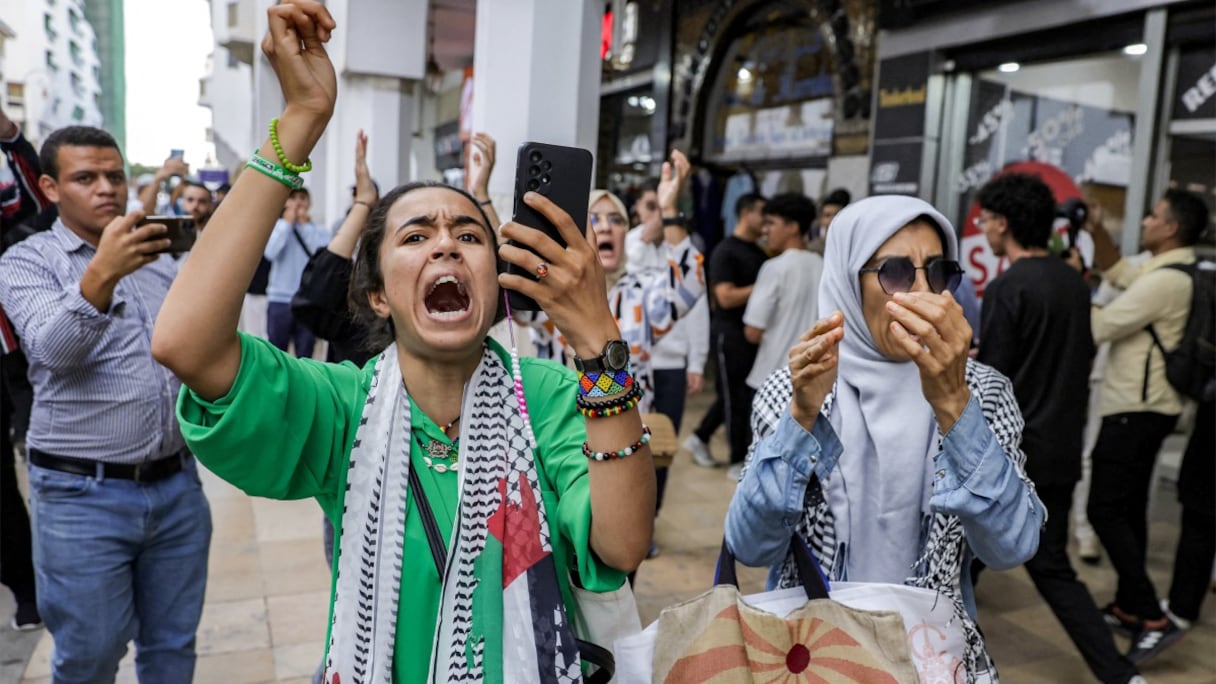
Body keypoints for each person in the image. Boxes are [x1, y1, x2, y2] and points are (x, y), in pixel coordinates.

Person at [151, 3, 654, 681]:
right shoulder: (344, 408)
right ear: (380, 293)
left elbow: (620, 545)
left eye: (469, 235)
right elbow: (185, 342)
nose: (445, 242)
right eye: (416, 236)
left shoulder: (554, 398)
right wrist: (299, 121)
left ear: (493, 276)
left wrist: (600, 345)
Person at [725, 194, 1044, 682]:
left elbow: (1011, 546)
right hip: (808, 655)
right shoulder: (800, 385)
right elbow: (750, 545)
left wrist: (954, 405)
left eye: (937, 272)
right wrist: (802, 416)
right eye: (896, 271)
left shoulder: (981, 390)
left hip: (931, 658)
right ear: (849, 282)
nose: (921, 291)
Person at [0, 124, 212, 682]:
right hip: (79, 497)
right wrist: (103, 273)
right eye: (85, 178)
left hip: (176, 489)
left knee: (172, 647)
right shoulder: (26, 262)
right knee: (90, 655)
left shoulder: (159, 257)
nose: (106, 189)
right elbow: (51, 350)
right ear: (49, 188)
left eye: (114, 176)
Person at [974, 173, 1139, 684]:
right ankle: (1120, 674)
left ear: (1003, 224)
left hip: (1010, 453)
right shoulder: (1075, 284)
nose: (982, 228)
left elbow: (993, 380)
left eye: (985, 220)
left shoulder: (1007, 287)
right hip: (1061, 450)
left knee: (957, 553)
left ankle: (927, 650)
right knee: (1048, 567)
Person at [1085, 189, 1208, 663]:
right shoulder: (1167, 270)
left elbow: (1102, 326)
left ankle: (1149, 612)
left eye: (1153, 215)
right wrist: (1097, 230)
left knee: (1104, 509)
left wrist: (1073, 290)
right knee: (1129, 508)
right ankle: (1128, 605)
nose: (1145, 221)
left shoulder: (1166, 282)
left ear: (1170, 227)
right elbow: (1120, 271)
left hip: (1135, 410)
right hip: (1145, 408)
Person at [0, 104, 50, 632]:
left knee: (39, 459)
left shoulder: (14, 187)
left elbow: (40, 197)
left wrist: (9, 134)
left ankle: (34, 585)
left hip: (15, 355)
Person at [739, 193, 824, 479]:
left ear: (793, 227)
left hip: (769, 380)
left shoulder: (774, 267)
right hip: (812, 382)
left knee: (762, 469)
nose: (766, 231)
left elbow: (752, 331)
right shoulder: (823, 265)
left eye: (771, 223)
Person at [685, 192, 767, 470]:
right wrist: (769, 287)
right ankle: (737, 460)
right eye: (761, 214)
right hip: (727, 334)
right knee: (734, 398)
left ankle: (700, 436)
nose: (766, 221)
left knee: (739, 396)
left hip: (750, 333)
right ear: (745, 213)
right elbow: (725, 296)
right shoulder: (725, 250)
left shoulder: (759, 252)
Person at [265, 186, 330, 357]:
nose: (298, 202)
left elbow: (322, 256)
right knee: (276, 354)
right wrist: (287, 223)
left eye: (302, 197)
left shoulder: (320, 231)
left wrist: (305, 226)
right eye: (293, 198)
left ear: (310, 202)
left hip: (307, 300)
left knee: (305, 353)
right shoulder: (277, 227)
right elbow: (270, 252)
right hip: (280, 299)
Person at [808, 187, 849, 255]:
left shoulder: (851, 243)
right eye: (827, 215)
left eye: (837, 214)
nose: (832, 219)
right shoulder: (813, 248)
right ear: (820, 220)